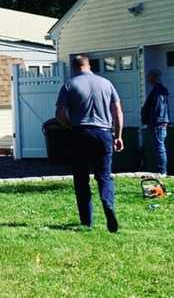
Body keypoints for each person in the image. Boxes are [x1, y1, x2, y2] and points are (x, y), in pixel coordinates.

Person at [56, 55, 123, 232]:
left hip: (81, 133)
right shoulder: (106, 83)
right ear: (89, 65)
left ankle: (87, 221)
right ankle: (108, 205)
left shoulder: (69, 85)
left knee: (81, 178)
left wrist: (70, 126)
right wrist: (118, 136)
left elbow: (60, 114)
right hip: (104, 133)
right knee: (104, 175)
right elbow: (117, 110)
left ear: (74, 67)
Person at [141, 69, 170, 175]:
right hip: (159, 122)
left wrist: (153, 121)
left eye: (149, 76)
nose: (148, 78)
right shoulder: (159, 90)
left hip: (158, 123)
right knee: (159, 147)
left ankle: (162, 171)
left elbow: (158, 108)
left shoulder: (158, 91)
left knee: (159, 148)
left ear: (154, 77)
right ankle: (161, 170)